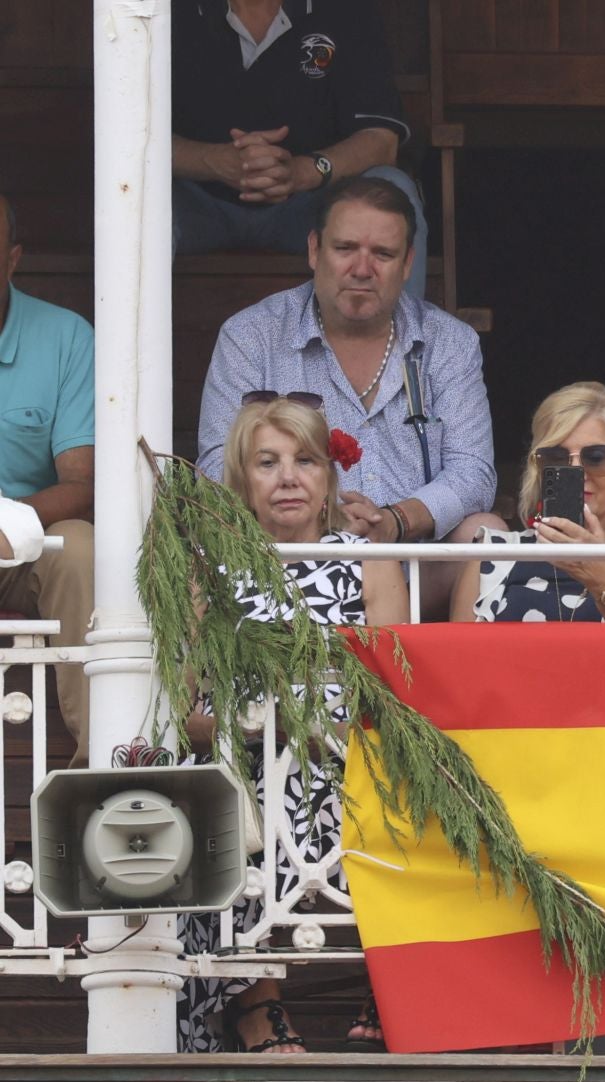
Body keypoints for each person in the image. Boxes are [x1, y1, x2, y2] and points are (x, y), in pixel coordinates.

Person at [178, 394, 406, 1053]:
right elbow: (183, 711)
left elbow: (398, 693)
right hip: (244, 754)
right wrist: (252, 726)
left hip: (353, 752)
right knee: (222, 788)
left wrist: (328, 731)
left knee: (412, 785)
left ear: (328, 479)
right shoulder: (208, 569)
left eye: (305, 461)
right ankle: (256, 1003)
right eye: (267, 462)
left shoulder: (367, 560)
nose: (287, 478)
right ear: (243, 480)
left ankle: (393, 987)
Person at [197, 176, 502, 619]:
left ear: (407, 263)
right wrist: (318, 520)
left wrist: (396, 520)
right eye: (345, 249)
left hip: (415, 563)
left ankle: (458, 669)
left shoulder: (449, 342)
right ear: (314, 250)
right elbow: (216, 468)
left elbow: (473, 473)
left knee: (486, 534)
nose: (362, 268)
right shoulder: (251, 335)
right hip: (290, 562)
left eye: (383, 254)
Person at [172, 0, 428, 298]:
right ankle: (128, 331)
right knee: (133, 194)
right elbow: (128, 130)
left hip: (309, 207)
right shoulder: (165, 10)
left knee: (394, 190)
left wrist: (302, 171)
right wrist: (213, 161)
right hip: (197, 204)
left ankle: (396, 330)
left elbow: (381, 139)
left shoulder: (346, 9)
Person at [452, 381, 605, 627]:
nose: (577, 471)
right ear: (538, 469)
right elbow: (459, 649)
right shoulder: (492, 553)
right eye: (555, 457)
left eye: (596, 457)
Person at [0, 192, 96, 760]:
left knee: (81, 546)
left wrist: (8, 523)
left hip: (22, 546)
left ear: (12, 259)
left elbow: (82, 485)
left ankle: (103, 760)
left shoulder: (65, 337)